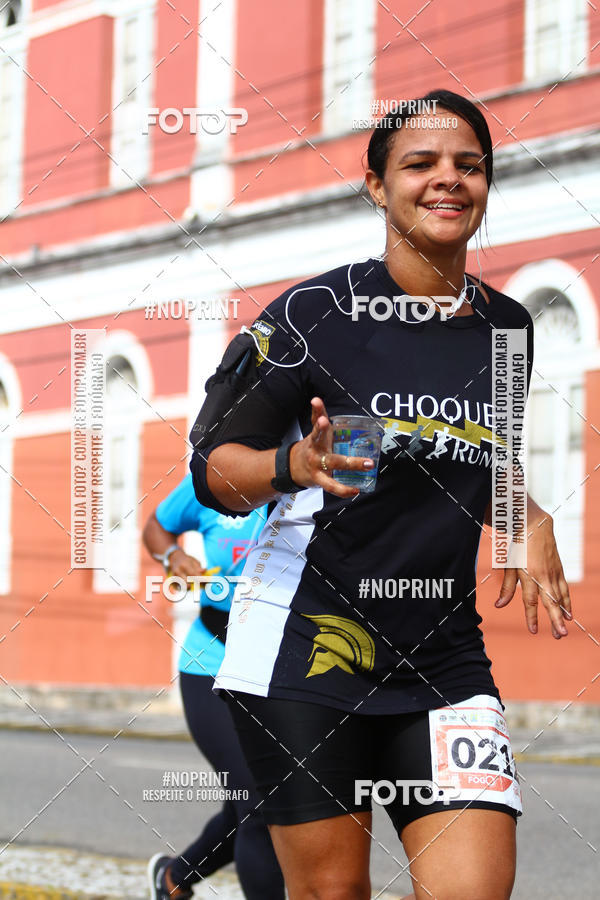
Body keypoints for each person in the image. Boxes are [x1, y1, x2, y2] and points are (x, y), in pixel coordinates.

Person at [188, 89, 572, 900]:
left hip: (443, 659)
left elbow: (480, 454)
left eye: (469, 165)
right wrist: (293, 468)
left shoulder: (509, 328)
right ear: (375, 186)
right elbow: (213, 471)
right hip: (301, 654)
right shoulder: (315, 315)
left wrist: (524, 512)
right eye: (420, 164)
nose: (448, 181)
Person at [143, 474, 284, 900]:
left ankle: (174, 878)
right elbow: (155, 526)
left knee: (261, 799)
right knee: (259, 805)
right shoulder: (216, 478)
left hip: (281, 671)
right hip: (211, 665)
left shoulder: (312, 485)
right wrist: (172, 555)